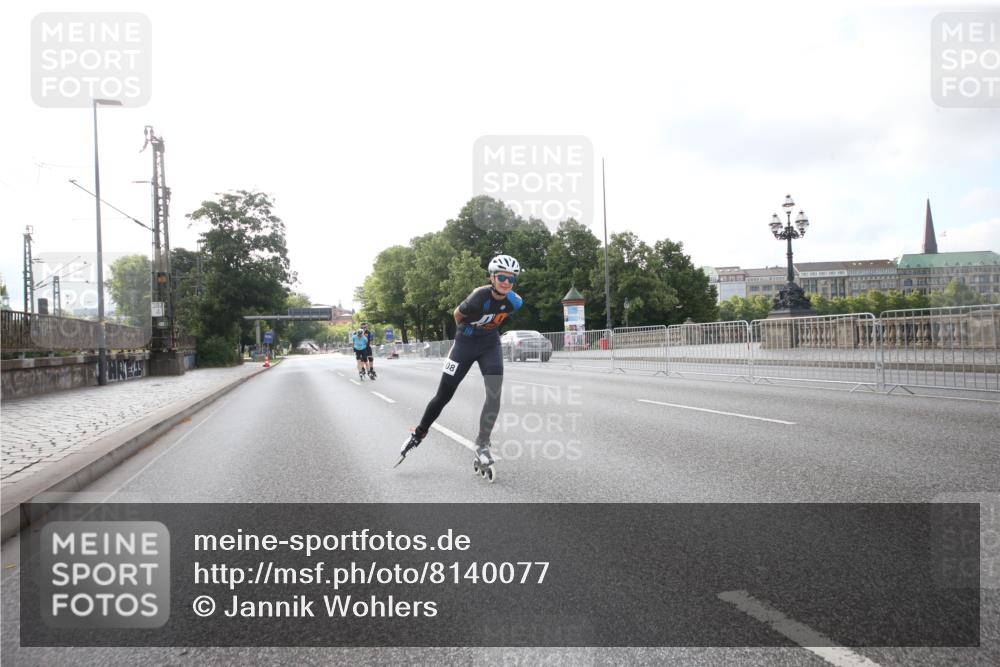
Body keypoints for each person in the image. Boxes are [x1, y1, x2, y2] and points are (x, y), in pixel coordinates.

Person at [396, 254, 522, 480]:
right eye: (502, 277)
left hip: (490, 344)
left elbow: (498, 316)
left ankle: (482, 443)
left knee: (494, 394)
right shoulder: (477, 297)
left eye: (511, 279)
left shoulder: (515, 301)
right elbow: (458, 315)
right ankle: (419, 433)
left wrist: (485, 330)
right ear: (492, 277)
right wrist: (467, 334)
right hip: (464, 344)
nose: (506, 282)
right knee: (444, 395)